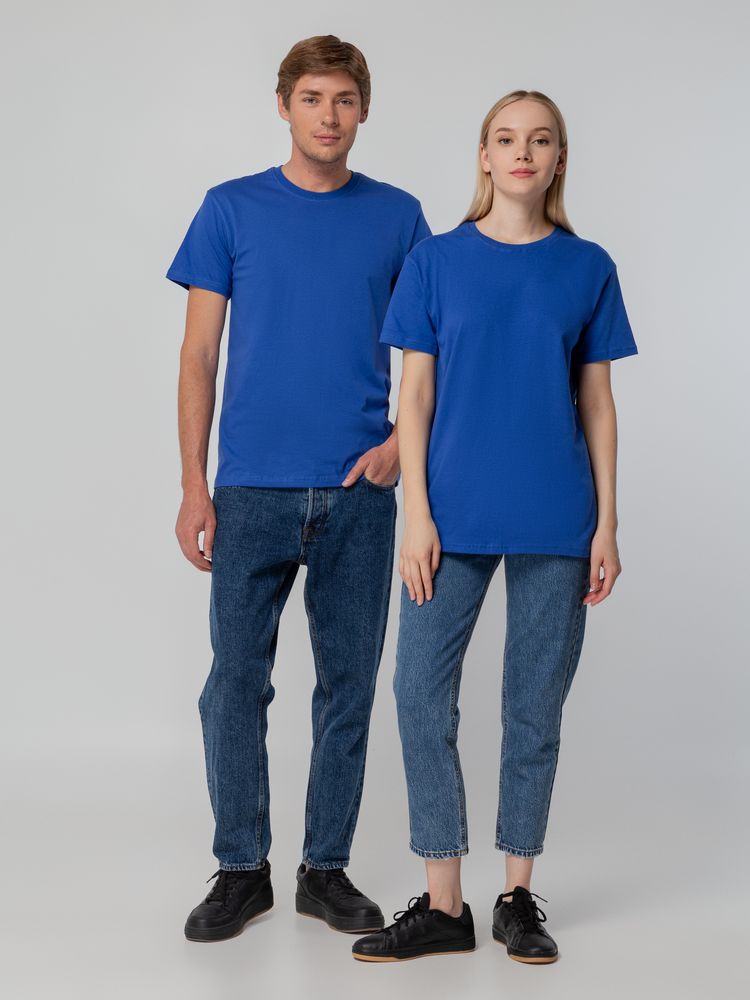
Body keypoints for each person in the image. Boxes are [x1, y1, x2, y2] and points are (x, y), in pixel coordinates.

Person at [352, 89, 638, 965]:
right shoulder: (436, 261)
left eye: (539, 140)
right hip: (452, 515)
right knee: (417, 693)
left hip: (558, 515)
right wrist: (416, 513)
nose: (522, 152)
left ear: (558, 160)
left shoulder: (587, 266)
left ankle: (516, 895)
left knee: (532, 707)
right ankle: (445, 903)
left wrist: (607, 524)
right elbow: (415, 396)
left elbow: (597, 402)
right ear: (484, 156)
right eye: (506, 138)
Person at [165, 34, 431, 942]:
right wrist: (193, 485)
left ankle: (325, 869)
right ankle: (242, 869)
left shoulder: (398, 216)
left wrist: (399, 446)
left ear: (364, 111)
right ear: (284, 105)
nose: (329, 115)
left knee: (348, 686)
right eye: (313, 97)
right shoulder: (230, 209)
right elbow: (198, 355)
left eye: (344, 99)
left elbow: (430, 352)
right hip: (250, 489)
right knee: (234, 685)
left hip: (358, 491)